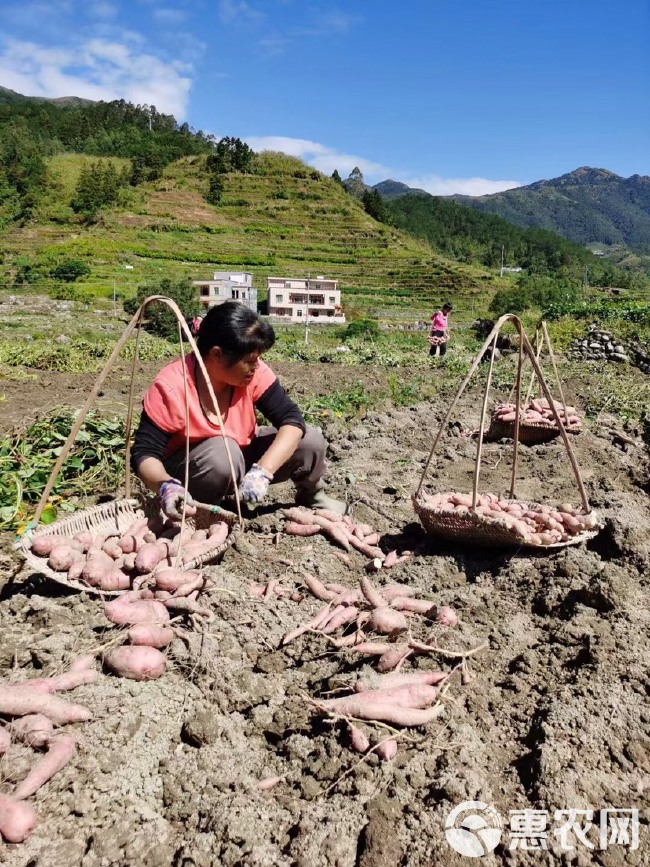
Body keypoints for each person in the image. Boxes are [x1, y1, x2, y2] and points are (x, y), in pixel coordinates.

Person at [131, 301, 348, 519]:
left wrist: (262, 472)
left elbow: (291, 420)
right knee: (223, 453)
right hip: (191, 472)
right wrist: (166, 485)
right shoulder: (172, 387)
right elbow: (144, 454)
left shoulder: (254, 373)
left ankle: (312, 496)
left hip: (238, 459)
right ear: (217, 355)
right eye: (249, 361)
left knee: (309, 439)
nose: (256, 366)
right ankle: (204, 512)